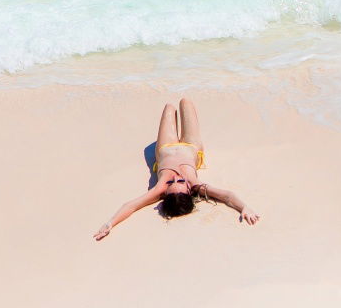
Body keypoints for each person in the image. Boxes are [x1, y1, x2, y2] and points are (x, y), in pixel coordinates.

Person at [93, 96, 260, 240]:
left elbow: (131, 205)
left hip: (165, 147)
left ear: (166, 193)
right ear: (188, 190)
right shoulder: (195, 184)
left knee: (169, 108)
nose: (176, 177)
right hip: (191, 147)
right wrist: (245, 207)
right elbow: (228, 196)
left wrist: (110, 223)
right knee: (185, 102)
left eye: (172, 182)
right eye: (180, 181)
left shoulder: (160, 188)